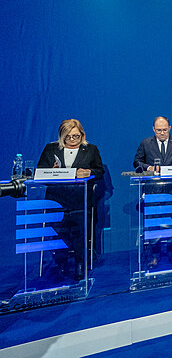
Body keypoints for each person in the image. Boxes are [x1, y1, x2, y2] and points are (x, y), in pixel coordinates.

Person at [37, 119, 104, 280]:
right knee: (59, 233)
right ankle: (61, 263)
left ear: (82, 134)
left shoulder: (91, 149)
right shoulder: (51, 148)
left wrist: (89, 172)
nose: (73, 139)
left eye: (76, 136)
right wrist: (52, 172)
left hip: (80, 200)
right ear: (62, 136)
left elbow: (99, 171)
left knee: (80, 233)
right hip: (57, 199)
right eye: (68, 137)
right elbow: (40, 172)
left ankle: (80, 263)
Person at [133, 116, 172, 269]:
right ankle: (154, 255)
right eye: (158, 130)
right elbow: (136, 162)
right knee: (154, 223)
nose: (162, 133)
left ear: (169, 128)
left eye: (164, 130)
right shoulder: (145, 143)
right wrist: (148, 168)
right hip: (153, 190)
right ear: (153, 130)